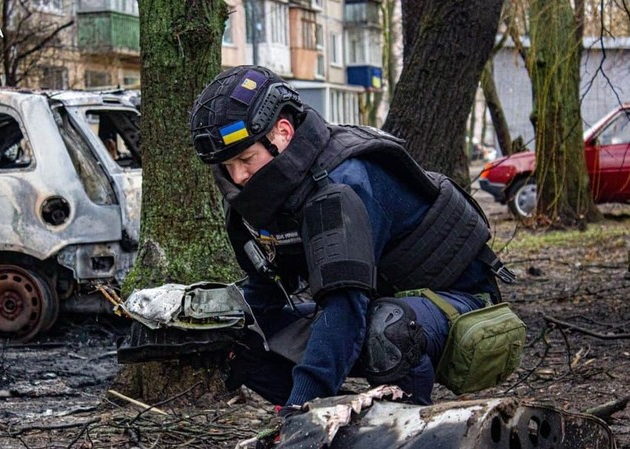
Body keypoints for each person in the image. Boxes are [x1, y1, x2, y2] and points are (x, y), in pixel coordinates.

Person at [189, 65, 513, 411]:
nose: (237, 177)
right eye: (226, 166)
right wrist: (216, 324)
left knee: (386, 331)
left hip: (459, 303)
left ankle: (403, 427)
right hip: (378, 300)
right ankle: (332, 421)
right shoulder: (269, 190)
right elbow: (265, 290)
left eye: (245, 159)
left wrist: (301, 413)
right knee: (240, 336)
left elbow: (345, 309)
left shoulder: (343, 182)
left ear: (283, 133)